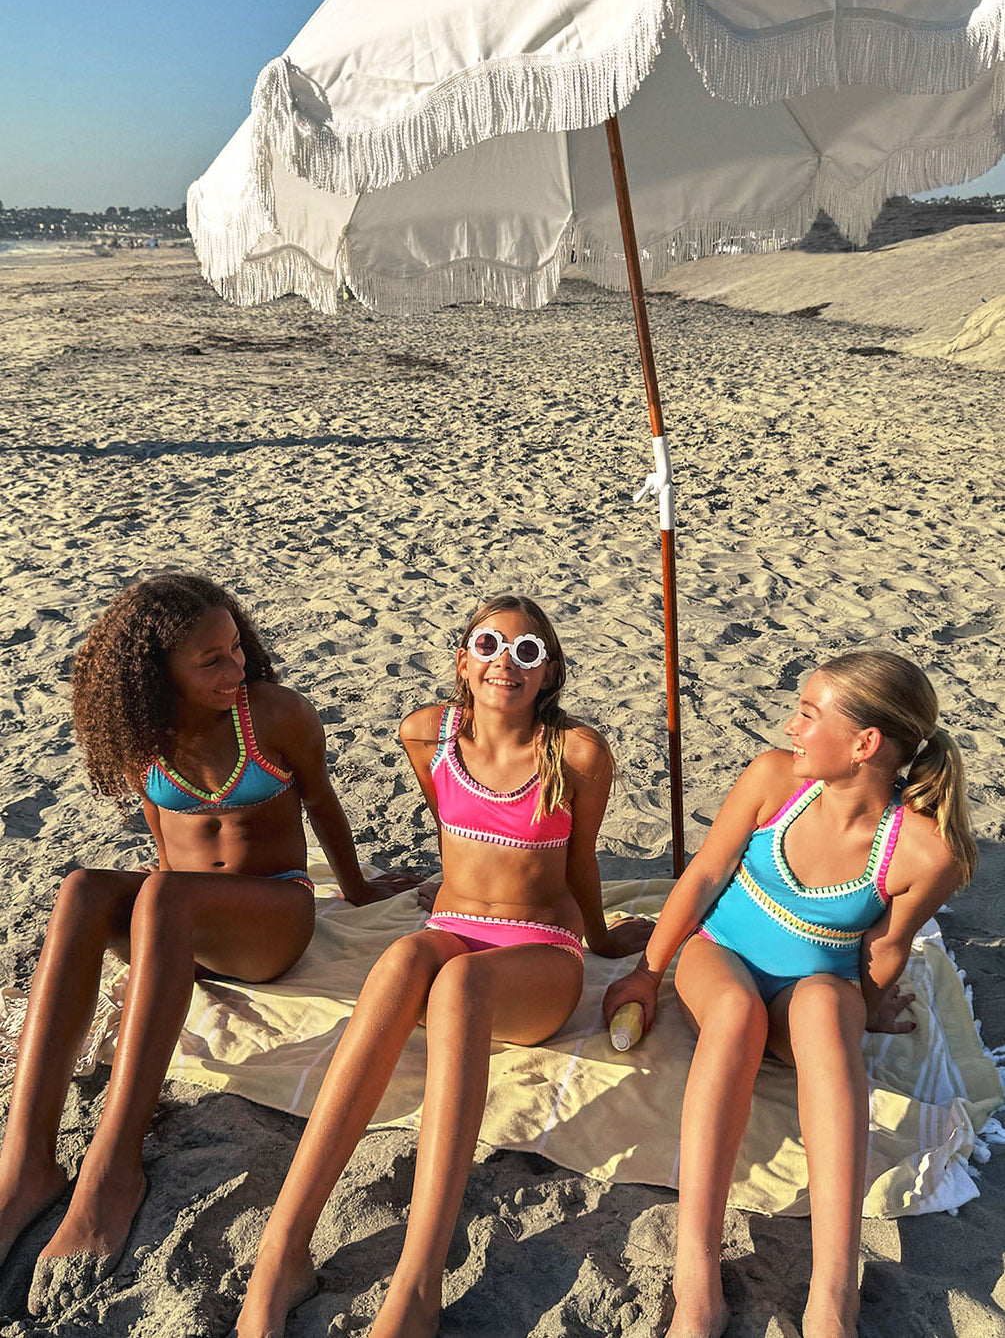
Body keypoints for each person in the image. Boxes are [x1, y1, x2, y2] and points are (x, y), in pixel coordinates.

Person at [0, 573, 420, 1317]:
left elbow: (322, 802)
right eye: (211, 662)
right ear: (156, 676)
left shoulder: (275, 715)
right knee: (82, 890)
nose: (236, 671)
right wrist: (160, 938)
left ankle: (114, 1164)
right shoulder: (141, 736)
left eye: (236, 650)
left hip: (271, 920)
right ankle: (25, 1163)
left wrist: (355, 893)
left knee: (161, 892)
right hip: (183, 922)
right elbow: (163, 842)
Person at [235, 593, 654, 1338]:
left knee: (459, 983)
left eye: (528, 651)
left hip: (539, 953)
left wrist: (599, 938)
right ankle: (281, 1251)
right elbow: (451, 824)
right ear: (463, 660)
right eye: (489, 644)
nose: (506, 662)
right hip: (452, 924)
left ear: (549, 673)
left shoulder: (576, 752)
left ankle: (419, 1279)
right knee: (401, 959)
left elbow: (580, 861)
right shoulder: (426, 734)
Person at [604, 650, 975, 1338]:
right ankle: (695, 1277)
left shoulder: (925, 854)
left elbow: (882, 954)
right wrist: (648, 971)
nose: (790, 726)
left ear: (865, 744)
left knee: (827, 1004)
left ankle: (833, 1297)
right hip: (720, 962)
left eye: (807, 713)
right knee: (736, 1013)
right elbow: (705, 875)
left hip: (810, 990)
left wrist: (863, 1014)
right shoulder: (774, 780)